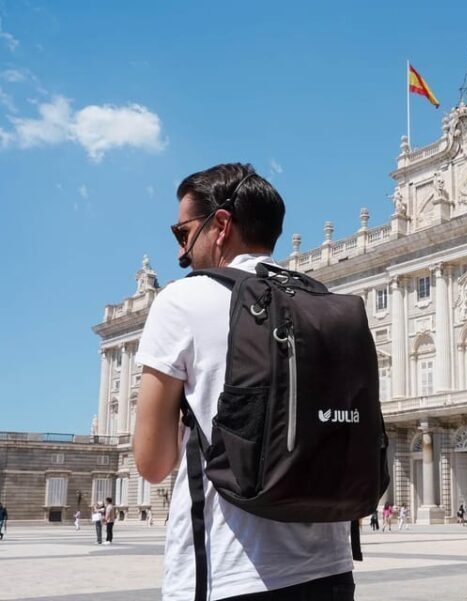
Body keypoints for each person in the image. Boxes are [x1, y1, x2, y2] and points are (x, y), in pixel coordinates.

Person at [133, 163, 354, 600]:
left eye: (183, 233)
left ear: (220, 225)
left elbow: (153, 463)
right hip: (330, 570)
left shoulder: (181, 300)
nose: (181, 251)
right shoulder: (322, 300)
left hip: (229, 572)